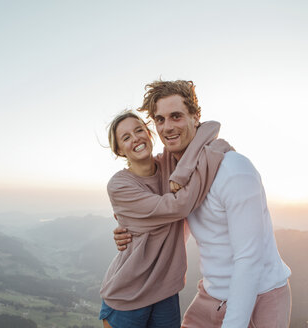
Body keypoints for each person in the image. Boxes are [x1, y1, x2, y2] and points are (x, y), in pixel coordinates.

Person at [114, 80, 292, 328]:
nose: (167, 127)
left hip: (260, 296)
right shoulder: (176, 174)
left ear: (195, 117)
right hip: (211, 295)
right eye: (160, 119)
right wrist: (132, 233)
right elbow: (169, 221)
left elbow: (248, 259)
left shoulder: (235, 170)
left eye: (176, 116)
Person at [100, 110, 232, 328]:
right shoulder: (119, 185)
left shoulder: (171, 163)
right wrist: (213, 154)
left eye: (139, 130)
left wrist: (184, 172)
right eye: (126, 137)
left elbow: (210, 127)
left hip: (166, 292)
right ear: (119, 150)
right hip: (128, 294)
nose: (136, 138)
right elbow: (178, 207)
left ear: (149, 133)